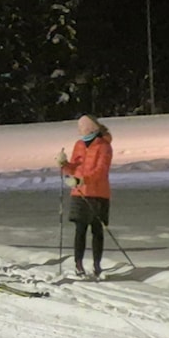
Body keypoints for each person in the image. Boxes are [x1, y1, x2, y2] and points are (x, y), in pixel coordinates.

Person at [57, 114, 113, 277]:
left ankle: (97, 265)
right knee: (80, 229)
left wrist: (82, 180)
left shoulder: (104, 146)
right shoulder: (79, 145)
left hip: (99, 193)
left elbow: (101, 171)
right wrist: (63, 164)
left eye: (83, 128)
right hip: (80, 193)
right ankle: (78, 264)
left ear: (92, 129)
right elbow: (74, 168)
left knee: (97, 230)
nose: (81, 131)